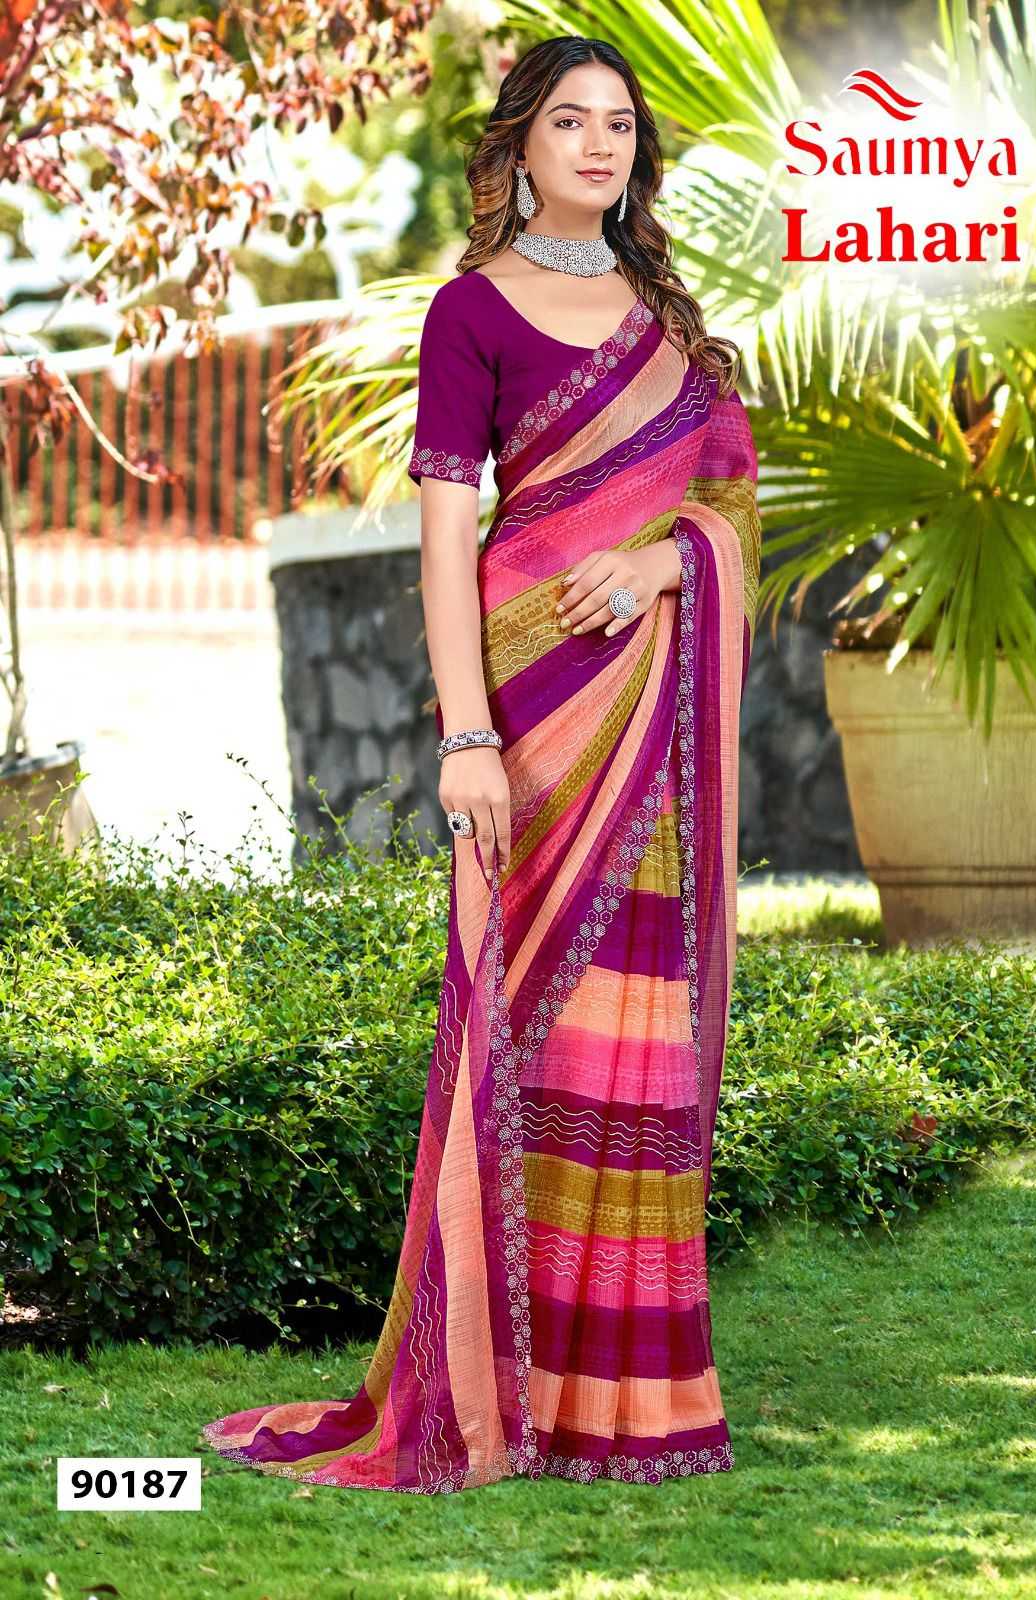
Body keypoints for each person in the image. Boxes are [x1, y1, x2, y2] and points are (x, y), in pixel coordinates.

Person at [201, 33, 761, 1493]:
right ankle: (493, 1385)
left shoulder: (676, 329)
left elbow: (727, 517)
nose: (599, 143)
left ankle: (621, 1390)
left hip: (645, 707)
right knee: (515, 1020)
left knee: (628, 1021)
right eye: (569, 120)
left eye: (620, 123)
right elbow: (447, 537)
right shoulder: (472, 312)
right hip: (527, 702)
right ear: (516, 147)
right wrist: (464, 734)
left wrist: (663, 566)